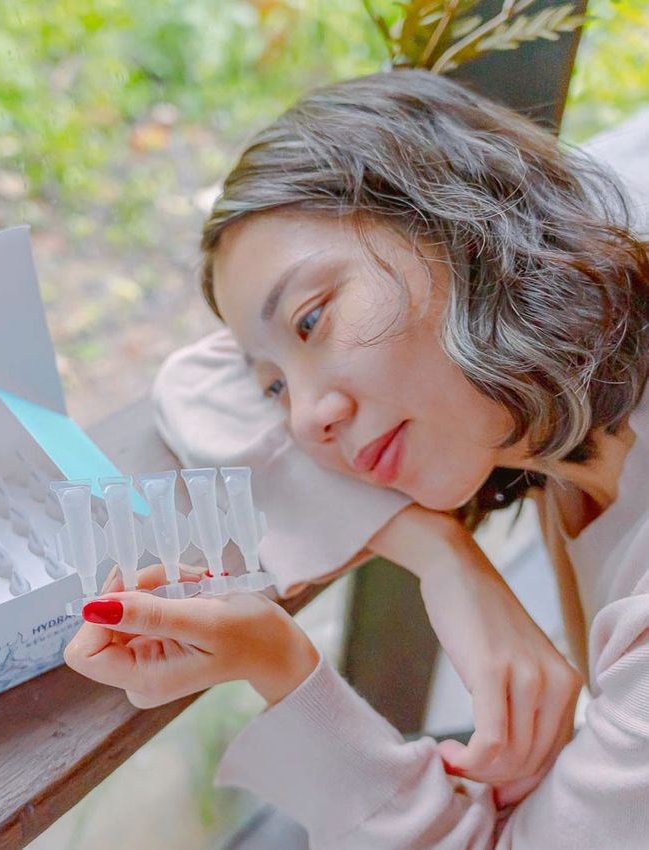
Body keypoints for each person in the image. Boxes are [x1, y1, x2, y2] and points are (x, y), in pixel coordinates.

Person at [63, 70, 649, 848]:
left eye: (311, 321)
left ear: (460, 223)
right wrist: (443, 556)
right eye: (275, 385)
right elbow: (195, 381)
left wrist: (281, 666)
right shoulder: (600, 294)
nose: (308, 419)